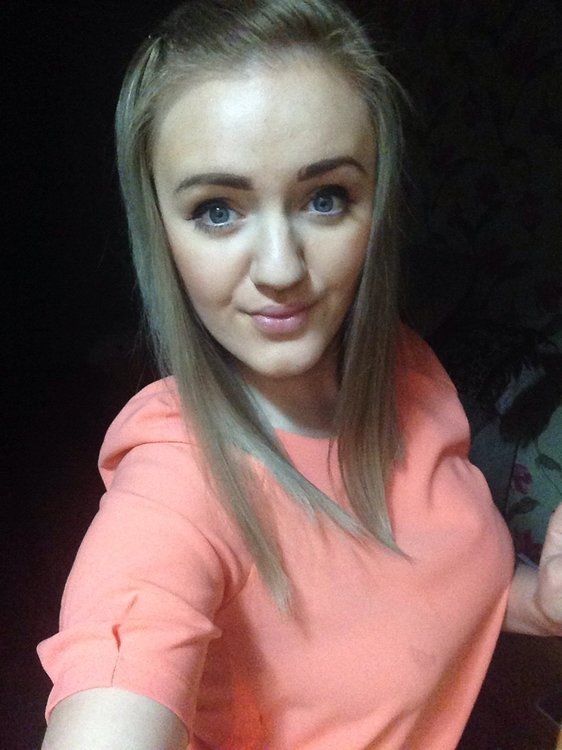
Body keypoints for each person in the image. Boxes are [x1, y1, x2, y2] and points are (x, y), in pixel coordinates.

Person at [38, 1, 562, 748]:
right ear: (159, 229)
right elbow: (117, 676)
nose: (282, 270)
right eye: (217, 210)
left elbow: (433, 590)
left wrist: (538, 604)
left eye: (326, 199)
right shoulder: (174, 487)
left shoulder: (408, 368)